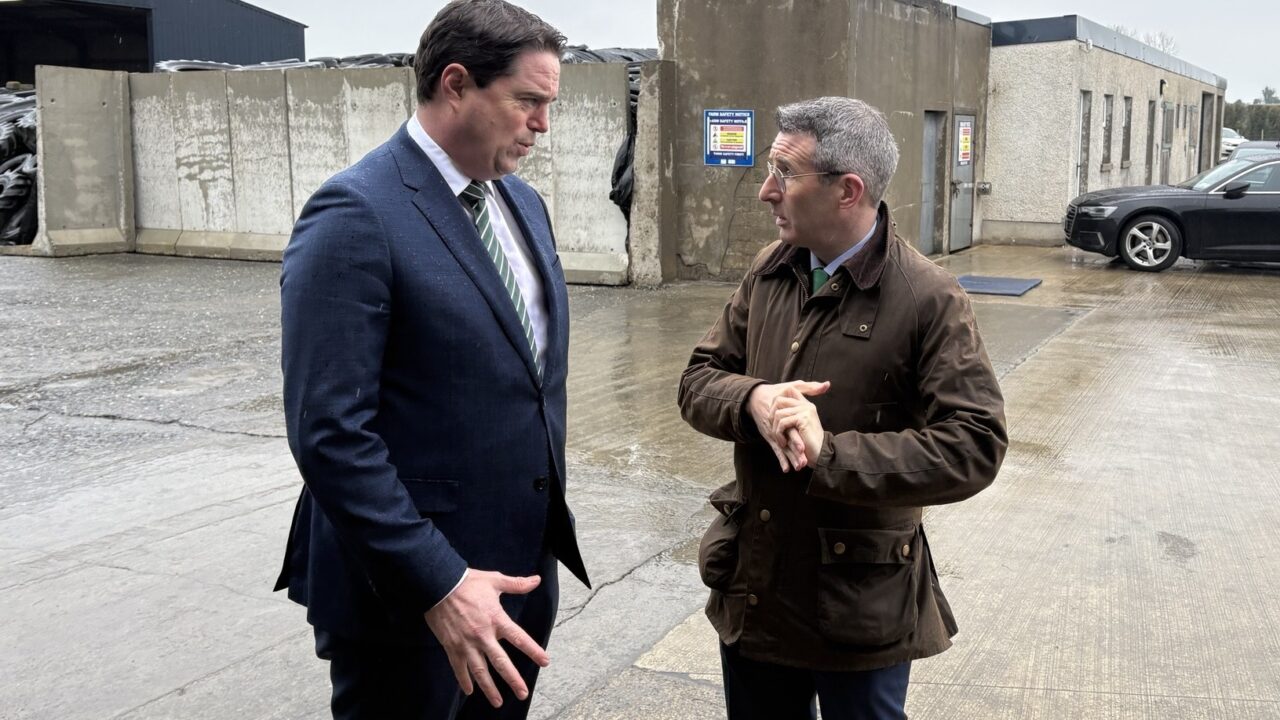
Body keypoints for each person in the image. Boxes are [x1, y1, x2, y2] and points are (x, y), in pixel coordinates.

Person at [274, 2, 589, 717]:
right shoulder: (355, 213)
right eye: (528, 101)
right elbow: (329, 433)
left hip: (517, 577)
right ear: (455, 84)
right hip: (411, 602)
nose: (543, 124)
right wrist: (439, 582)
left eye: (549, 104)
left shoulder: (522, 204)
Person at [677, 96, 1007, 720]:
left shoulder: (927, 298)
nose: (766, 192)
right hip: (757, 592)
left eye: (785, 173)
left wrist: (830, 452)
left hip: (858, 610)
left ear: (847, 190)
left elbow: (974, 445)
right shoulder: (771, 270)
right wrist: (752, 399)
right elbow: (697, 381)